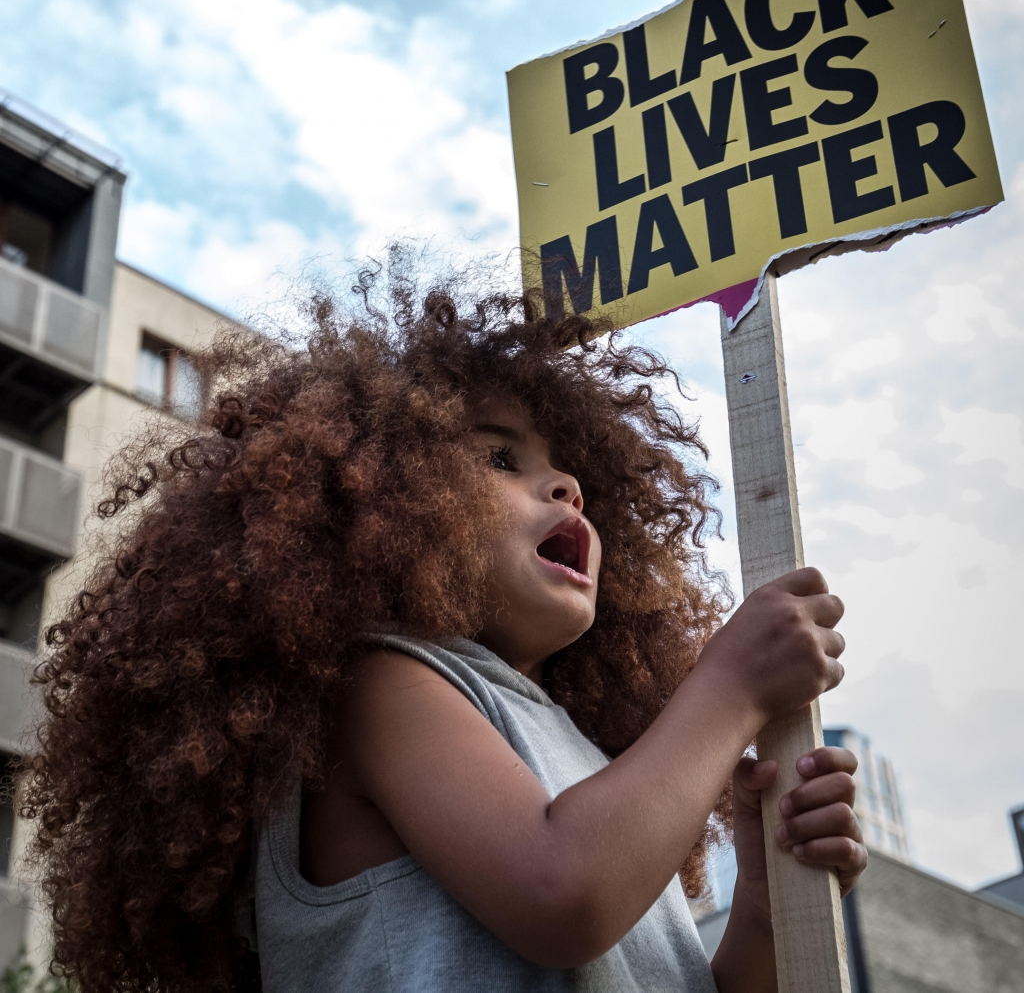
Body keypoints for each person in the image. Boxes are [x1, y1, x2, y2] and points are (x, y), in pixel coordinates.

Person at [22, 272, 866, 993]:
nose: (568, 487)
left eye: (570, 477)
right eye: (504, 460)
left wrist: (761, 901)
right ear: (381, 506)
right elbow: (562, 892)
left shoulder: (591, 766)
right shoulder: (379, 687)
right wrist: (730, 689)